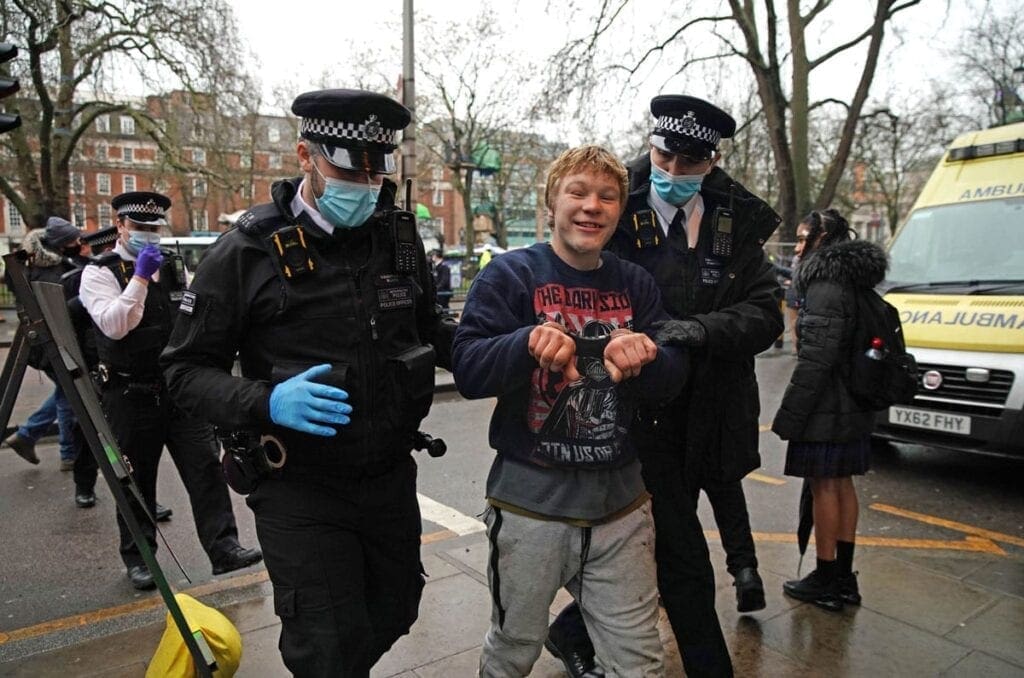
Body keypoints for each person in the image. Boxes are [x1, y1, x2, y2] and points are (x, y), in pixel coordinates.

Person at [161, 88, 456, 677]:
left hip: (388, 476)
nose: (367, 183)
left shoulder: (396, 238)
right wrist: (266, 400)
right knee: (325, 643)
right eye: (350, 167)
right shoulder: (246, 249)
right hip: (300, 485)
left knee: (397, 607)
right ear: (305, 155)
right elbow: (183, 370)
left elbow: (431, 327)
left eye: (380, 168)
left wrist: (505, 349)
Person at [547, 96, 784, 678]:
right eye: (665, 156)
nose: (674, 173)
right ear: (651, 148)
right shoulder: (611, 210)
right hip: (634, 412)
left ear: (713, 160)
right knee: (680, 555)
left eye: (691, 162)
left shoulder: (736, 220)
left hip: (710, 409)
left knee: (656, 548)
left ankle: (570, 633)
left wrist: (698, 331)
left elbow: (766, 314)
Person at [453, 145, 687, 678]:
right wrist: (524, 343)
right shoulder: (510, 275)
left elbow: (673, 376)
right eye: (577, 192)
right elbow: (466, 368)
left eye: (608, 196)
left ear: (619, 211)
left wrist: (648, 357)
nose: (592, 206)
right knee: (514, 648)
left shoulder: (636, 283)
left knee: (639, 661)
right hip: (531, 508)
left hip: (621, 512)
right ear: (551, 204)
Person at [79, 191, 262, 591]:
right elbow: (114, 324)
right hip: (131, 394)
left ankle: (224, 548)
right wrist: (141, 278)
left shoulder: (174, 267)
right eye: (140, 228)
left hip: (178, 391)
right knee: (136, 480)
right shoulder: (100, 272)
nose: (148, 235)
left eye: (154, 229)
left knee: (206, 470)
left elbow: (192, 316)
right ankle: (140, 558)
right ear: (120, 225)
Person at [772, 209, 882, 611]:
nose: (798, 247)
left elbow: (816, 358)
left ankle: (826, 576)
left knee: (824, 487)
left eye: (804, 238)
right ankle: (844, 577)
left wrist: (790, 415)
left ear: (823, 238)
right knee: (843, 484)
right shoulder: (853, 279)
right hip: (853, 401)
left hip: (827, 406)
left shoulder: (824, 284)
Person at [3, 218, 86, 469]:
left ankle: (27, 436)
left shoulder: (31, 264)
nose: (78, 244)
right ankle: (67, 453)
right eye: (73, 240)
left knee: (65, 393)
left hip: (43, 343)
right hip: (52, 343)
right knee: (67, 397)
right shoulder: (51, 271)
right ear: (61, 245)